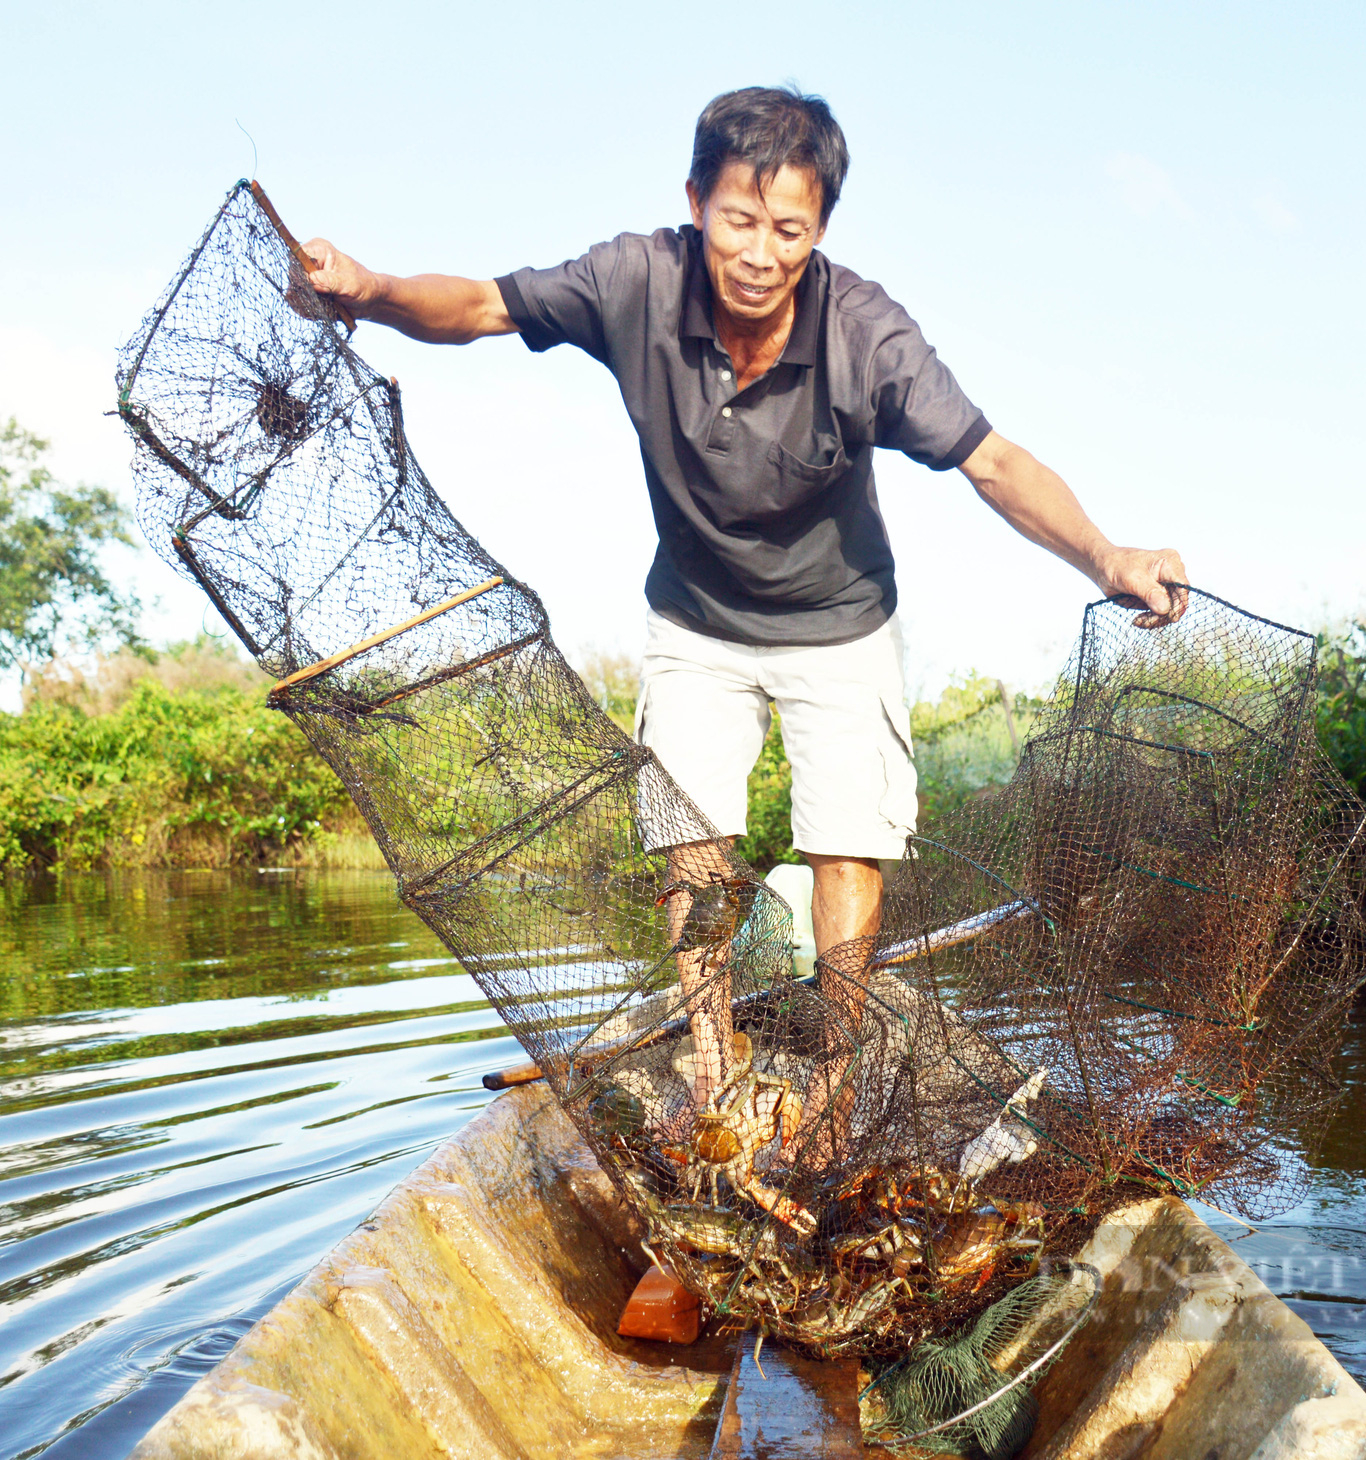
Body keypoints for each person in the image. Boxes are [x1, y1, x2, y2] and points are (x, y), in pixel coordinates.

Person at [302, 86, 1187, 1126]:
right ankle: (714, 1060)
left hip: (840, 624)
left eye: (788, 229)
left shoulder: (867, 334)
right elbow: (482, 306)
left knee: (844, 844)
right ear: (694, 201)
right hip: (694, 623)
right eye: (737, 219)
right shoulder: (634, 279)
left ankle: (834, 1084)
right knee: (693, 841)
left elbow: (990, 461)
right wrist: (369, 289)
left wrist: (1103, 554)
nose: (759, 253)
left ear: (818, 230)